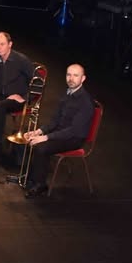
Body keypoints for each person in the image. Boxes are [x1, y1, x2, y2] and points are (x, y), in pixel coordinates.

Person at [22, 63, 95, 198]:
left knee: (41, 147)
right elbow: (55, 120)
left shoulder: (85, 102)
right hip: (62, 132)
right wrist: (39, 131)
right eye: (69, 75)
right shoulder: (67, 93)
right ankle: (31, 177)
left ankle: (40, 184)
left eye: (75, 75)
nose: (71, 78)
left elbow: (73, 131)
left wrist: (46, 137)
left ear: (83, 78)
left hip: (74, 139)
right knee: (32, 138)